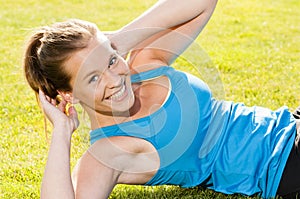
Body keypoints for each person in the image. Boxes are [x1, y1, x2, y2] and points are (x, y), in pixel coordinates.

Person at [23, 0, 300, 198]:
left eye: (109, 60)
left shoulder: (143, 64)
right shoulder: (108, 152)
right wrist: (62, 131)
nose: (114, 79)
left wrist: (123, 38)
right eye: (93, 78)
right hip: (283, 163)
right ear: (68, 93)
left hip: (288, 122)